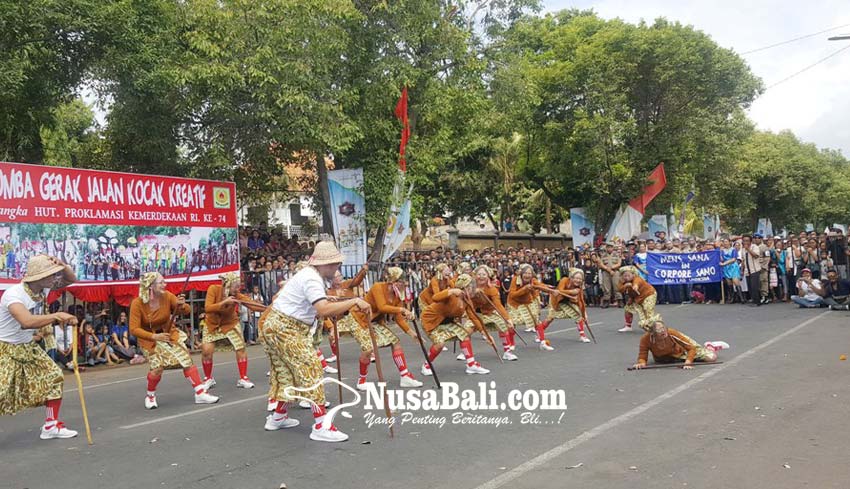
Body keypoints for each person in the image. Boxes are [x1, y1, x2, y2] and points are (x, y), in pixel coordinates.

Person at [261, 241, 372, 442]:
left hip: (277, 327)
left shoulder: (311, 276)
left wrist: (339, 303)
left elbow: (321, 305)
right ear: (323, 264)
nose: (336, 268)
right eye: (334, 264)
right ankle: (321, 424)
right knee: (311, 369)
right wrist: (354, 301)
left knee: (289, 374)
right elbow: (322, 309)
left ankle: (278, 417)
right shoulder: (312, 278)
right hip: (285, 328)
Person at [0, 254, 79, 440]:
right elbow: (26, 321)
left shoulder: (42, 289)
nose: (56, 278)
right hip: (5, 349)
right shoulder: (14, 295)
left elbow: (71, 279)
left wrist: (63, 265)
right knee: (2, 393)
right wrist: (58, 316)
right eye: (52, 274)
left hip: (28, 346)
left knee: (54, 377)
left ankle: (50, 426)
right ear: (39, 277)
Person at [130, 272, 219, 409]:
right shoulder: (137, 303)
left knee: (186, 359)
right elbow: (134, 329)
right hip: (149, 340)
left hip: (169, 335)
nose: (165, 285)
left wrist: (181, 305)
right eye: (161, 282)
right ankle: (150, 395)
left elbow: (187, 310)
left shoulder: (167, 296)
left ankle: (200, 393)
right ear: (151, 286)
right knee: (157, 368)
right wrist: (154, 337)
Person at [350, 267, 423, 390]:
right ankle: (361, 381)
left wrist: (411, 332)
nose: (405, 284)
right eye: (402, 281)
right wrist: (402, 309)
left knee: (395, 342)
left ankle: (405, 376)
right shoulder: (378, 287)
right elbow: (382, 307)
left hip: (374, 321)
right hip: (359, 319)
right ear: (394, 281)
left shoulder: (397, 295)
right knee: (368, 349)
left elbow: (398, 318)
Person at [201, 272, 266, 390]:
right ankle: (208, 378)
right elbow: (207, 308)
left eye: (239, 286)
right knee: (206, 351)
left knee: (240, 347)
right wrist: (224, 303)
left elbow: (251, 305)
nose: (238, 289)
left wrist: (268, 308)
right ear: (228, 285)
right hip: (212, 324)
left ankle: (243, 378)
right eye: (236, 286)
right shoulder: (214, 289)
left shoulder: (236, 295)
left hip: (230, 323)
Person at [420, 273, 494, 376]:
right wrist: (451, 291)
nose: (473, 289)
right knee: (439, 344)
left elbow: (473, 317)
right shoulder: (451, 295)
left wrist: (485, 333)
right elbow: (435, 298)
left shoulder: (467, 299)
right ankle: (426, 365)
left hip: (447, 320)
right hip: (431, 320)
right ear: (464, 287)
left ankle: (471, 365)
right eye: (471, 287)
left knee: (464, 335)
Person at [632, 320, 728, 370]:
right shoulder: (645, 339)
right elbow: (643, 355)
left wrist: (688, 361)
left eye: (664, 328)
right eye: (659, 330)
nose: (663, 332)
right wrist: (641, 363)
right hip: (666, 358)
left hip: (682, 350)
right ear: (652, 333)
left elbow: (691, 348)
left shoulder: (671, 333)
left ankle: (710, 347)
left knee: (711, 358)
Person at [534, 268, 591, 350]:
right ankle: (539, 333)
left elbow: (581, 301)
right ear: (571, 277)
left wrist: (584, 313)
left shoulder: (579, 287)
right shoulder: (564, 280)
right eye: (576, 278)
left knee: (578, 314)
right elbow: (559, 291)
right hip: (556, 299)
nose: (578, 280)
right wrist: (571, 292)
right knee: (550, 318)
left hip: (568, 301)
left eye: (580, 279)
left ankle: (582, 335)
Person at [470, 266, 517, 361]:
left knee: (503, 326)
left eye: (484, 274)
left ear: (488, 276)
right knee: (466, 332)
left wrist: (507, 319)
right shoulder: (470, 287)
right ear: (475, 276)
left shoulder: (492, 289)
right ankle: (467, 356)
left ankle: (507, 351)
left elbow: (498, 305)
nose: (481, 277)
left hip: (489, 312)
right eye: (479, 274)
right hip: (474, 314)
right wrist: (473, 293)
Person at [617, 266, 658, 332]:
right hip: (635, 297)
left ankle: (653, 327)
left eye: (628, 275)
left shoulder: (637, 278)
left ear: (633, 275)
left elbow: (636, 283)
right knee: (627, 308)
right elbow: (619, 289)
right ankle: (628, 326)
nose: (626, 277)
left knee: (647, 310)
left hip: (649, 294)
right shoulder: (622, 281)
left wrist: (635, 286)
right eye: (624, 276)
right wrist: (626, 286)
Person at [507, 264, 542, 334]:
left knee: (536, 318)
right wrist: (524, 289)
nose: (527, 275)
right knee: (512, 322)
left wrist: (552, 291)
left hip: (526, 302)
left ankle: (542, 340)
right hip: (514, 303)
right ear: (521, 273)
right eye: (525, 273)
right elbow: (512, 295)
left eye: (529, 273)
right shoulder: (515, 279)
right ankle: (510, 343)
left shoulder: (533, 280)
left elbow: (541, 286)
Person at [596, 243, 622, 308]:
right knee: (606, 287)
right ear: (606, 248)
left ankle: (620, 301)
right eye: (608, 247)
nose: (609, 248)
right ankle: (606, 301)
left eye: (610, 247)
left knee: (617, 286)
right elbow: (601, 264)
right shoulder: (603, 255)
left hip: (615, 272)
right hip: (606, 272)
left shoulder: (617, 255)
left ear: (613, 248)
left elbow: (619, 263)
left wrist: (612, 268)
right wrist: (608, 269)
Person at [720, 238, 744, 304]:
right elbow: (721, 259)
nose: (725, 243)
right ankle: (732, 298)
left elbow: (734, 259)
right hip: (726, 268)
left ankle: (741, 298)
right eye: (724, 242)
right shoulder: (722, 251)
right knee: (729, 283)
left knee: (736, 281)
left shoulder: (733, 250)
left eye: (726, 242)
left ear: (729, 242)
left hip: (733, 266)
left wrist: (724, 263)